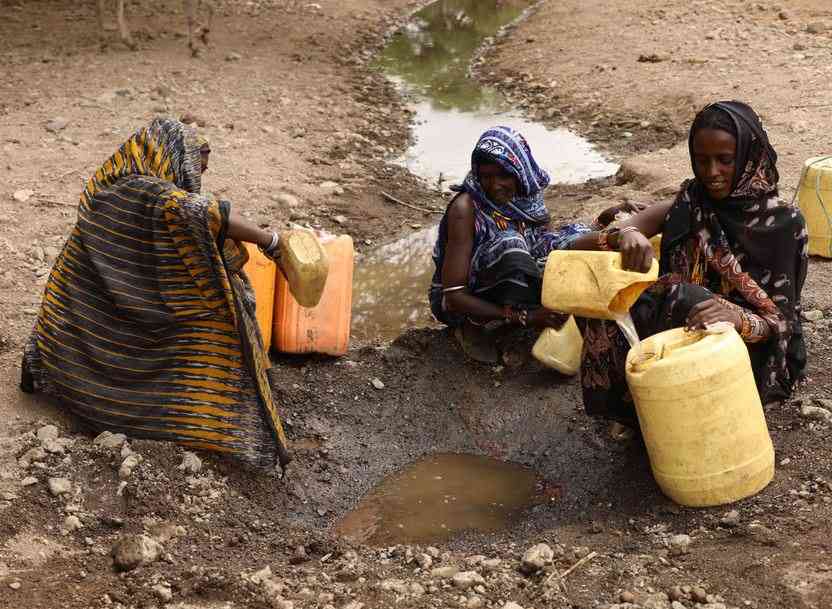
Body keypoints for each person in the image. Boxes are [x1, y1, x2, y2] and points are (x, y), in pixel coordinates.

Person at [20, 118, 291, 468]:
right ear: (170, 157)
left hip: (80, 325)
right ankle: (183, 416)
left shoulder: (111, 185)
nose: (196, 181)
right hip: (98, 324)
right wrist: (271, 241)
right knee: (221, 313)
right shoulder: (145, 192)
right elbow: (202, 212)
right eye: (195, 169)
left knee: (226, 286)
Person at [566, 101, 808, 429]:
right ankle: (632, 409)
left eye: (725, 160)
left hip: (744, 350)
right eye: (701, 160)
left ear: (750, 156)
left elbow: (781, 323)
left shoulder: (782, 223)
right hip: (679, 328)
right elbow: (577, 247)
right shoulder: (690, 201)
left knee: (686, 296)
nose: (711, 173)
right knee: (608, 292)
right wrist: (626, 235)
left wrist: (737, 318)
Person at [429, 126, 635, 362]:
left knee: (559, 254)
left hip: (508, 276)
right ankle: (474, 326)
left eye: (503, 175)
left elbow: (545, 242)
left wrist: (604, 222)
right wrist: (525, 317)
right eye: (486, 176)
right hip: (462, 303)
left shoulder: (526, 194)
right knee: (511, 245)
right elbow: (454, 294)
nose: (495, 185)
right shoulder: (465, 208)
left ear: (520, 170)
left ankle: (522, 309)